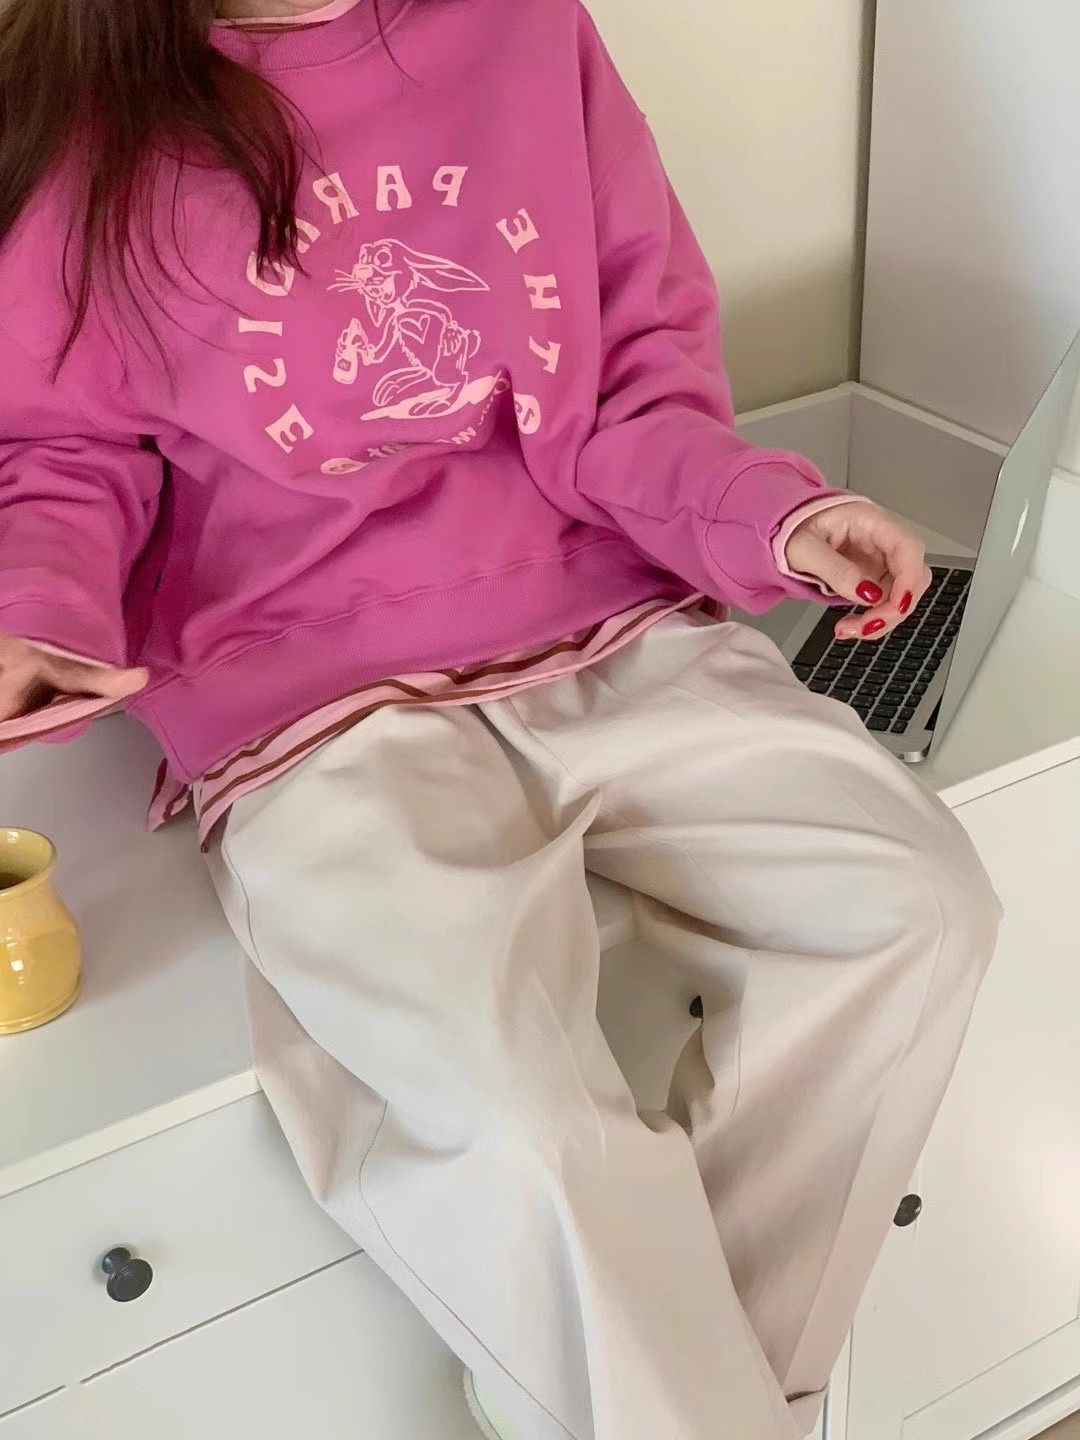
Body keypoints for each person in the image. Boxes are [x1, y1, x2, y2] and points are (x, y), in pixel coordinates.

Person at [0, 0, 1000, 1435]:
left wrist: (773, 514)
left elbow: (632, 372)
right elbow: (55, 453)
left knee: (917, 904)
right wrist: (39, 615)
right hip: (309, 694)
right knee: (513, 1107)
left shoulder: (523, 28)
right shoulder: (83, 109)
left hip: (608, 613)